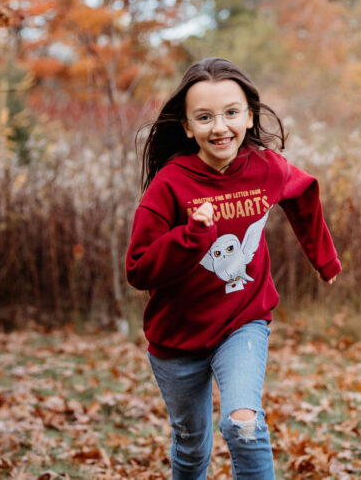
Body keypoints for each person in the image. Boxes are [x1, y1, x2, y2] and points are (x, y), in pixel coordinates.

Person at [126, 57, 341, 479]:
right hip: (177, 336)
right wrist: (191, 236)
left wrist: (324, 257)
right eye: (204, 117)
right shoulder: (170, 184)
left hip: (244, 321)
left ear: (249, 115)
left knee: (243, 423)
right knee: (191, 449)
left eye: (230, 112)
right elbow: (138, 268)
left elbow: (304, 193)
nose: (219, 127)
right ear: (187, 127)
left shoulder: (266, 168)